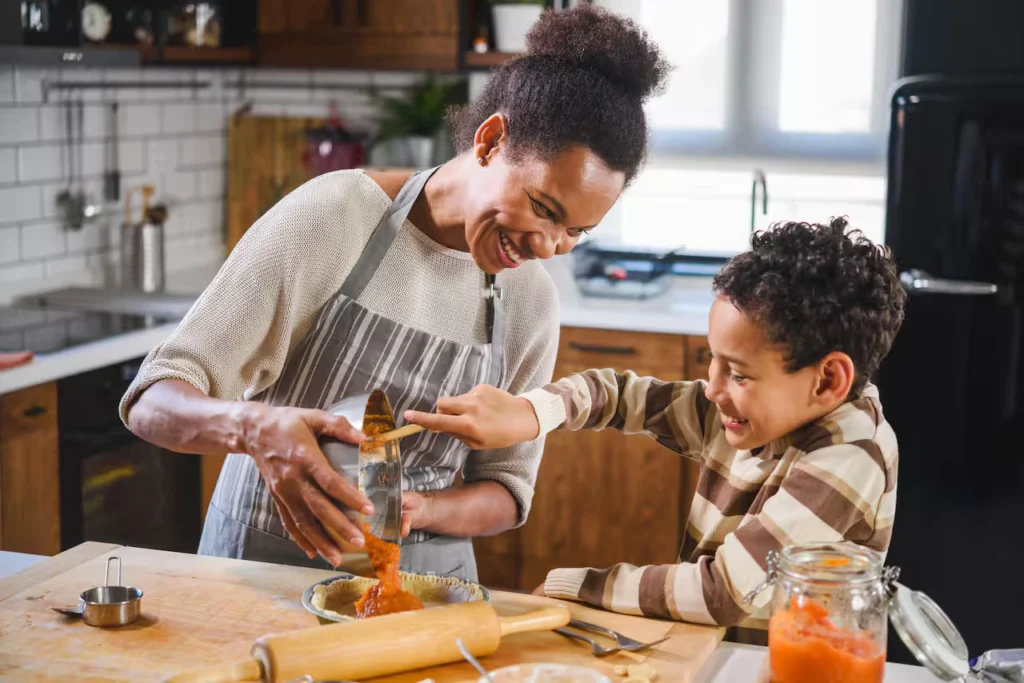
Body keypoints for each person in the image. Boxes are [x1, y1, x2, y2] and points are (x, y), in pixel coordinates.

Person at [118, 5, 670, 581]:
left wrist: (423, 510)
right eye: (543, 208)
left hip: (424, 586)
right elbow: (152, 400)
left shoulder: (531, 301)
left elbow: (507, 490)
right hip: (261, 572)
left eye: (575, 232)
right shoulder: (337, 217)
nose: (549, 245)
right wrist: (254, 428)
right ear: (490, 141)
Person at [406, 217, 906, 622]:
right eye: (714, 361)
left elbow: (721, 592)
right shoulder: (753, 414)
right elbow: (618, 394)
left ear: (827, 380)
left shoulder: (849, 454)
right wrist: (531, 413)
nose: (712, 388)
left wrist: (575, 586)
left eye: (738, 374)